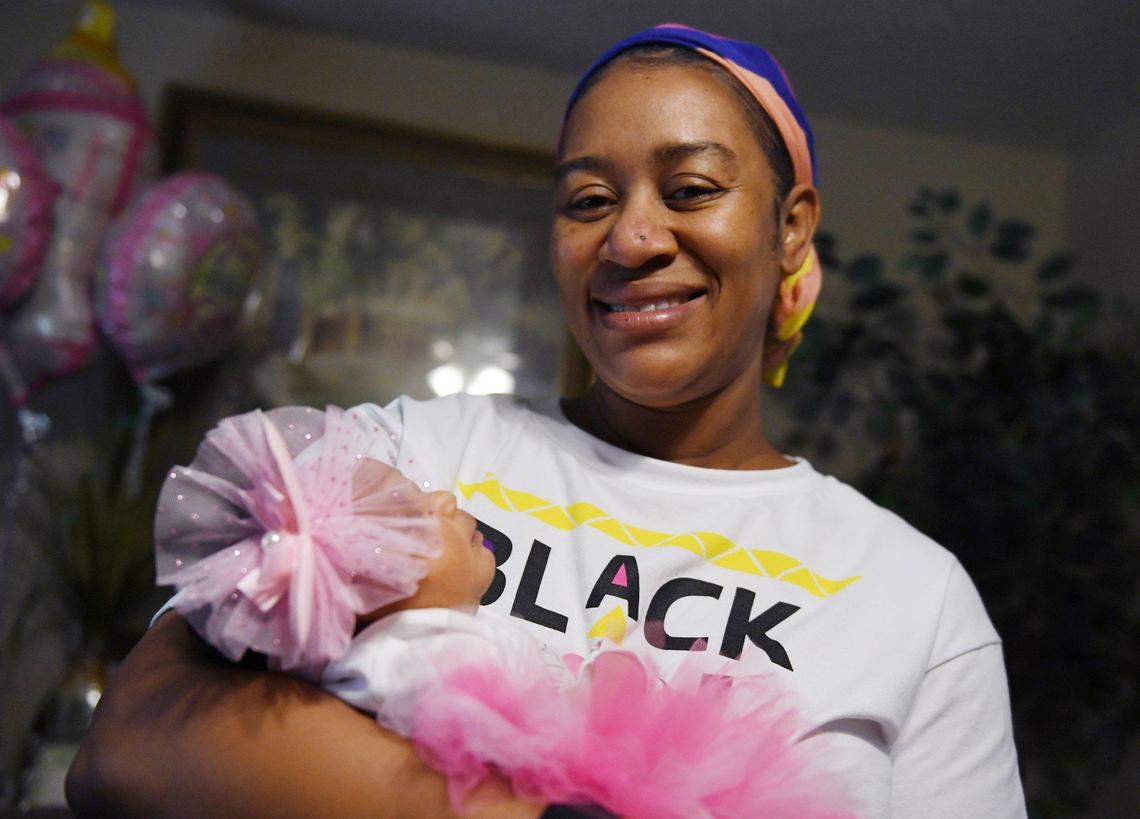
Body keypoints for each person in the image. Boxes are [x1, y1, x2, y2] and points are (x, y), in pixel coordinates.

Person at [66, 23, 1027, 818]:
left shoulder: (916, 601)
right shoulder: (408, 454)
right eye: (588, 200)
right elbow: (131, 743)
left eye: (691, 189)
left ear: (791, 229)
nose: (634, 237)